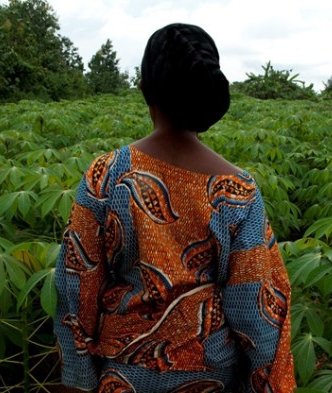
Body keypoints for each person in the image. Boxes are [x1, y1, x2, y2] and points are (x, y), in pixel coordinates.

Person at [54, 23, 295, 393]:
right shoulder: (237, 190)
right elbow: (256, 310)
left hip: (122, 378)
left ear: (144, 88)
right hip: (212, 380)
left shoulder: (106, 175)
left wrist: (78, 382)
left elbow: (75, 290)